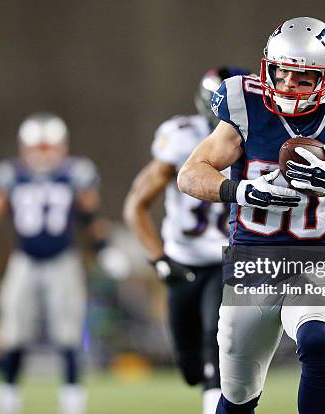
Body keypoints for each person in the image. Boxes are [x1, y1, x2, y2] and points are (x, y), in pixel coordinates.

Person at [177, 17, 325, 414]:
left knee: (315, 341)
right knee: (239, 395)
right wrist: (242, 190)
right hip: (250, 262)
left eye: (302, 78)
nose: (288, 85)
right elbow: (190, 175)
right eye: (281, 73)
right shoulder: (245, 104)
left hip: (316, 259)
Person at [124, 67, 249, 414]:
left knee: (216, 344)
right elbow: (136, 205)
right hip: (184, 260)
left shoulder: (262, 142)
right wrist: (159, 258)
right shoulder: (181, 138)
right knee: (190, 367)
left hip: (231, 260)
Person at [0, 112, 106, 414]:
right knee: (13, 331)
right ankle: (8, 398)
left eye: (48, 147)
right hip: (25, 260)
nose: (43, 154)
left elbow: (91, 215)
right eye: (38, 147)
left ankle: (72, 400)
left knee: (69, 333)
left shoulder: (75, 173)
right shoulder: (11, 174)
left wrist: (103, 247)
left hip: (63, 259)